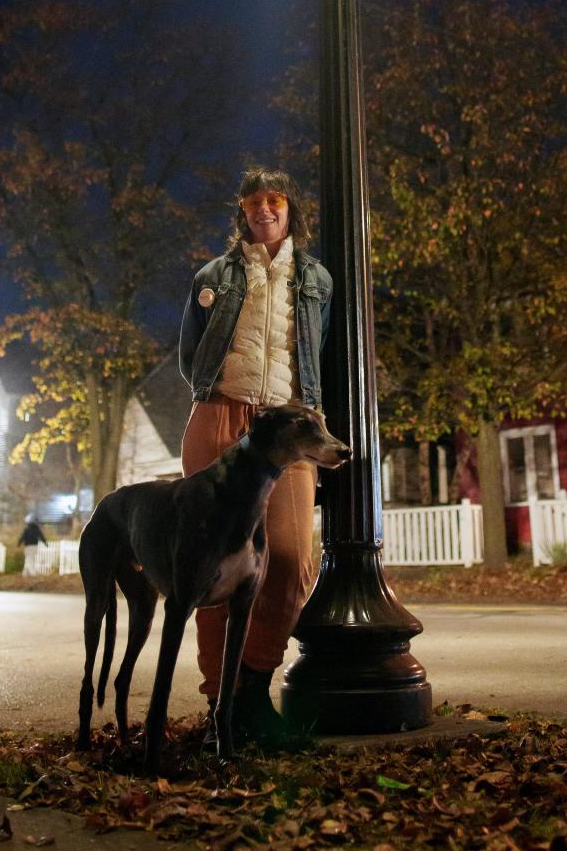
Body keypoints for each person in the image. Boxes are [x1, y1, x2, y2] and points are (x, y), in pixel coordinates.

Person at [178, 167, 333, 747]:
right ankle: (220, 703)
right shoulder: (212, 276)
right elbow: (190, 353)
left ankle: (252, 685)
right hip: (221, 415)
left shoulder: (316, 279)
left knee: (290, 561)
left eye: (275, 199)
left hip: (287, 425)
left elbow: (320, 352)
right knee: (213, 566)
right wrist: (217, 398)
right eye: (253, 200)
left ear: (290, 207)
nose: (264, 209)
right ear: (241, 209)